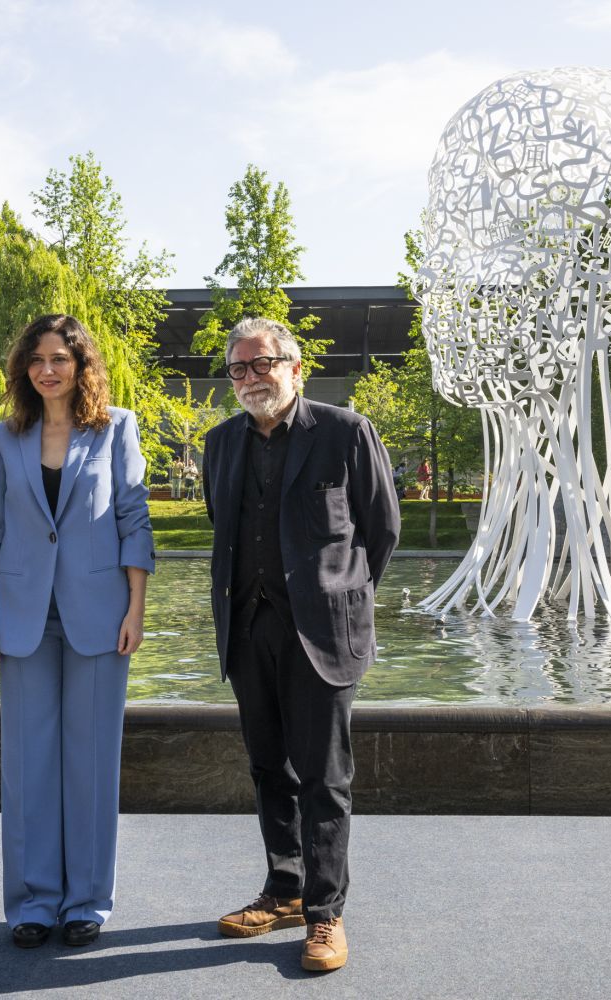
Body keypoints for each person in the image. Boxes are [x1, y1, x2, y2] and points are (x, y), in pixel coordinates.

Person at [202, 317, 400, 973]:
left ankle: (325, 915)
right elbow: (221, 527)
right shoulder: (221, 443)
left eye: (263, 364)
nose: (251, 377)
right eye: (239, 368)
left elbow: (382, 529)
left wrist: (339, 595)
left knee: (324, 779)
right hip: (247, 628)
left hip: (323, 634)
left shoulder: (346, 433)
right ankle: (283, 890)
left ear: (295, 367)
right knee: (268, 770)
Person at [0, 314, 154, 950]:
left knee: (92, 764)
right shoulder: (5, 435)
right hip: (23, 618)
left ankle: (86, 903)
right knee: (27, 765)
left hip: (101, 615)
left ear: (81, 366)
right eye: (37, 359)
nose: (48, 369)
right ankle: (31, 902)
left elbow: (134, 517)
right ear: (25, 368)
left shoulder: (117, 427)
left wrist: (135, 608)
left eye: (61, 358)